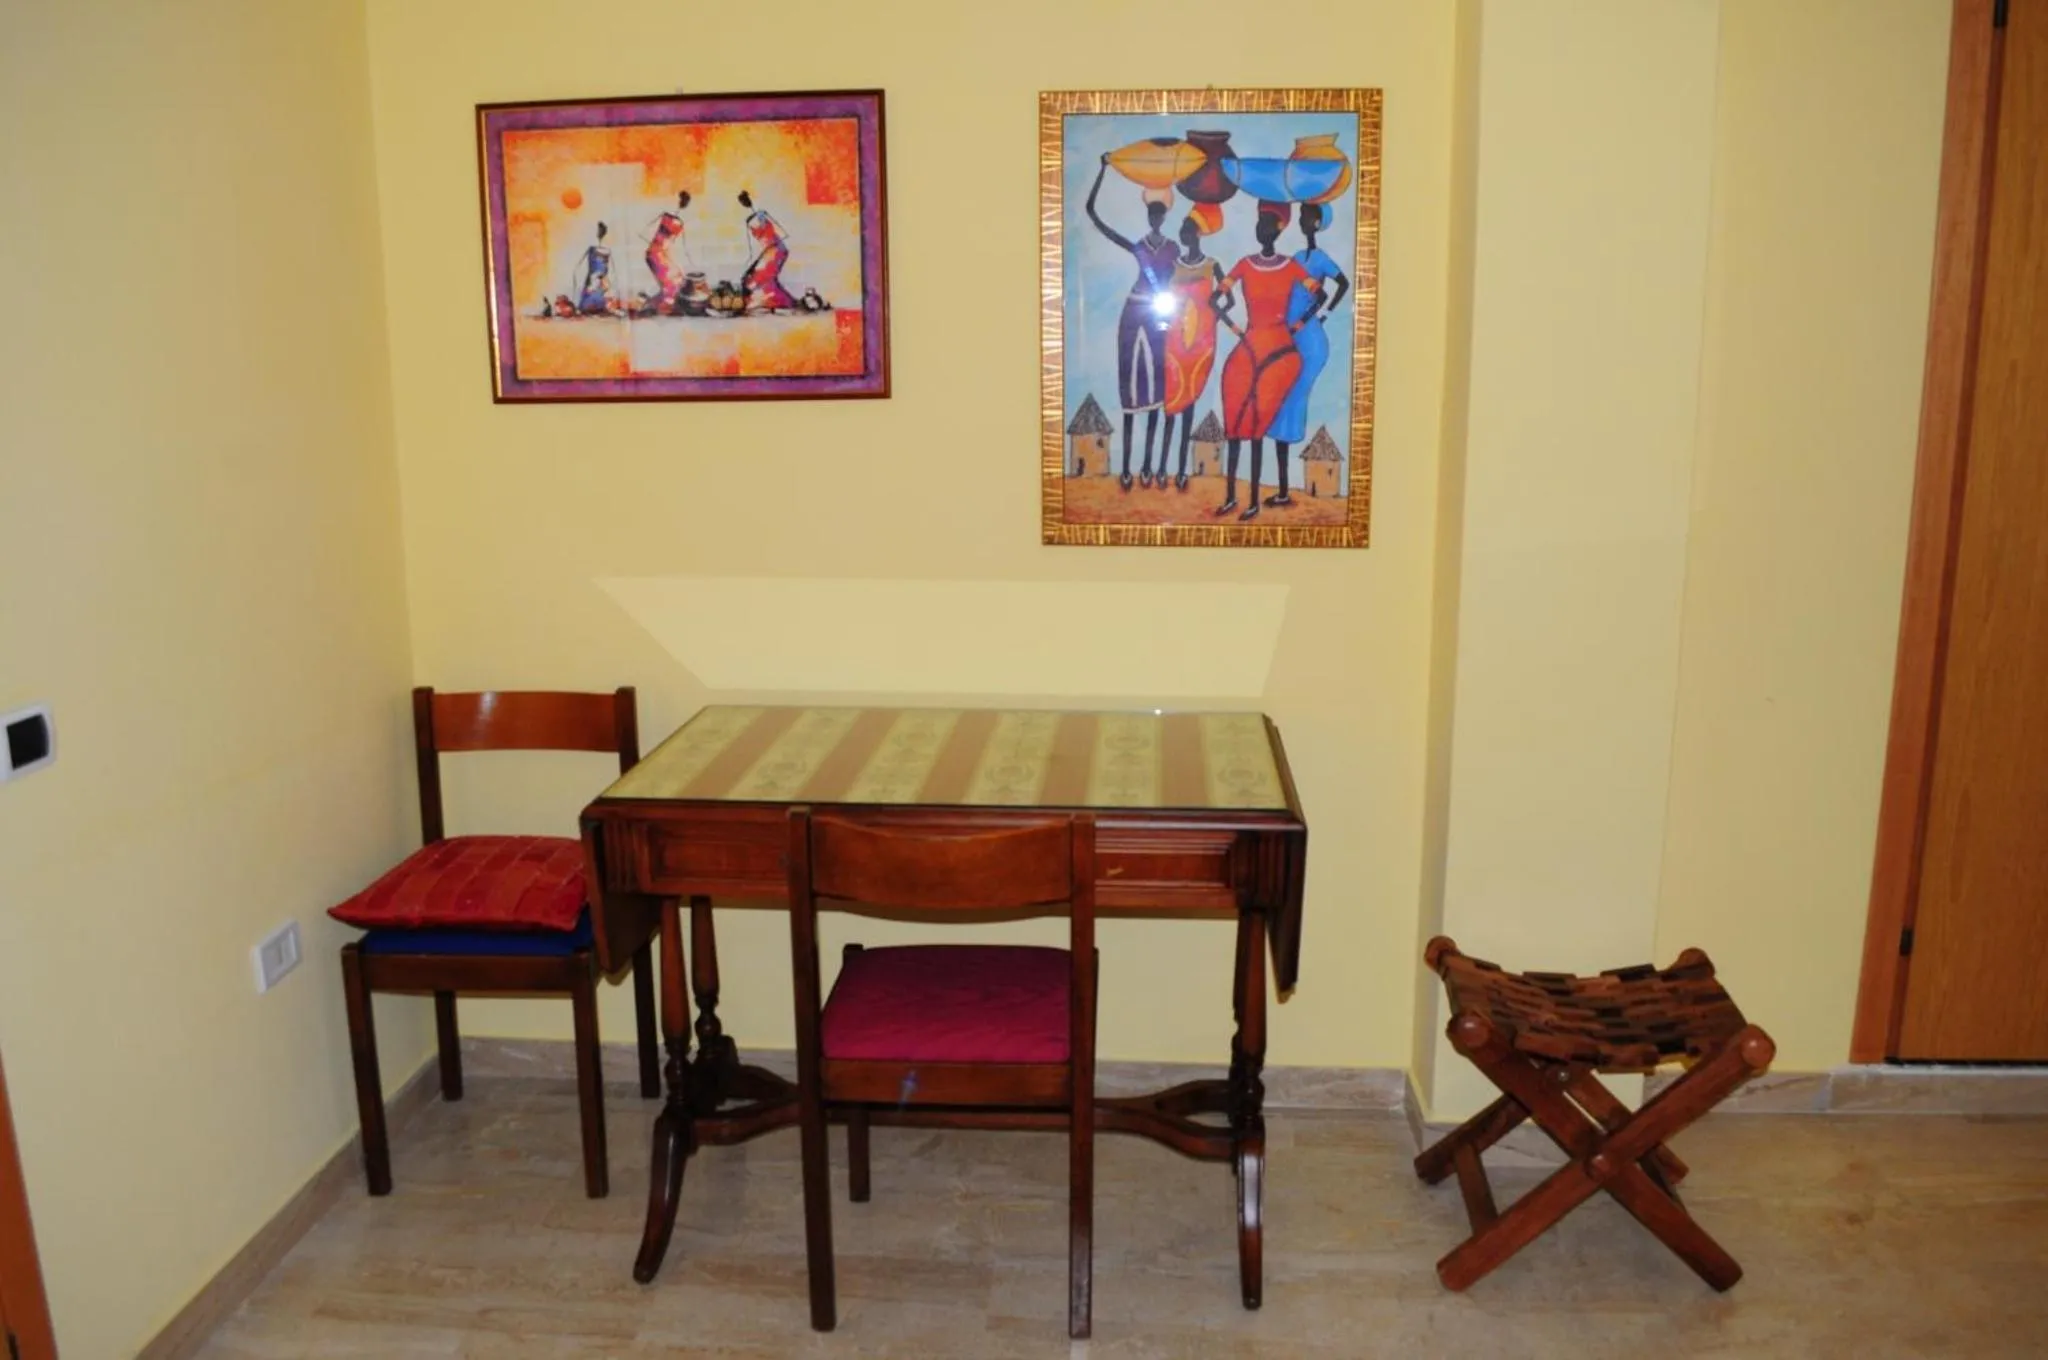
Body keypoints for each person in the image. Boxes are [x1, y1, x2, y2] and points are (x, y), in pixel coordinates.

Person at [1086, 156, 1181, 490]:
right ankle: (1127, 466)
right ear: (1148, 217)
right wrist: (1102, 171)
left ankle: (1146, 466)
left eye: (1159, 214)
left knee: (1158, 387)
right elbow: (1095, 216)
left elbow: (1183, 281)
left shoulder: (1173, 248)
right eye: (1151, 214)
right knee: (1129, 385)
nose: (1155, 219)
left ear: (1164, 216)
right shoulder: (1139, 247)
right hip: (1134, 312)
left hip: (1159, 314)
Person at [1213, 200, 1310, 520]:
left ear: (1280, 229)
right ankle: (1230, 496)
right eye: (1259, 221)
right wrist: (1234, 327)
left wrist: (1296, 326)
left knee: (1255, 421)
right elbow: (1216, 300)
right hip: (1250, 343)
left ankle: (1253, 500)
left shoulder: (1291, 266)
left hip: (1278, 349)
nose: (1261, 228)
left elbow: (1319, 295)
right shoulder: (1244, 263)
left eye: (1267, 222)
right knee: (1233, 407)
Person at [1264, 201, 1350, 504]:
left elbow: (1343, 284)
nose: (1301, 222)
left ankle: (1286, 491)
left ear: (1316, 224)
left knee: (1289, 403)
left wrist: (1320, 316)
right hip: (1291, 337)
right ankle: (1284, 489)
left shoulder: (1321, 258)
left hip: (1310, 340)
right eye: (1300, 217)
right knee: (1282, 402)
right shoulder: (1297, 257)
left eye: (1305, 218)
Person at [1158, 213, 1228, 492]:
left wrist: (1215, 315)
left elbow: (1228, 298)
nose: (1184, 235)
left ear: (1198, 234)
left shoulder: (1213, 266)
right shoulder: (1174, 267)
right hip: (1175, 343)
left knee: (1189, 404)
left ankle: (1181, 470)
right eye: (1182, 230)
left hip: (1201, 343)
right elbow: (1163, 301)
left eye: (1188, 230)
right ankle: (1163, 467)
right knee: (1170, 405)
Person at [738, 190, 798, 311]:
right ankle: (783, 301)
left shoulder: (752, 220)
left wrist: (753, 261)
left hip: (773, 250)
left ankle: (780, 302)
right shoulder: (761, 214)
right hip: (776, 248)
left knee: (758, 279)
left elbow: (756, 246)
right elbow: (782, 234)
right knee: (761, 279)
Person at [643, 190, 692, 312]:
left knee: (672, 281)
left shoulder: (665, 216)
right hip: (658, 255)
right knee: (674, 281)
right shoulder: (679, 224)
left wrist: (653, 243)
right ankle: (656, 306)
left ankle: (652, 304)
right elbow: (680, 248)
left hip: (653, 253)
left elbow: (643, 231)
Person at [573, 221, 616, 315]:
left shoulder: (595, 249)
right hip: (596, 283)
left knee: (591, 300)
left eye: (599, 231)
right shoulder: (602, 250)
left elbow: (577, 268)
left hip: (598, 283)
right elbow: (611, 270)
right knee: (592, 298)